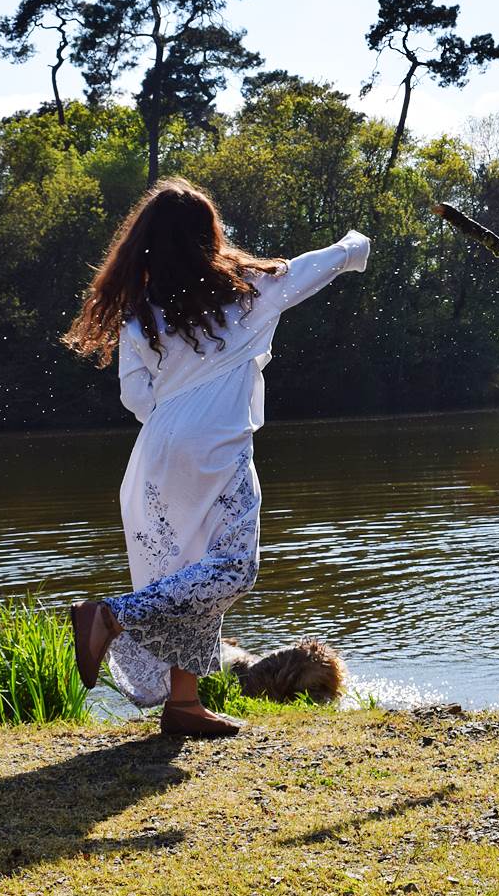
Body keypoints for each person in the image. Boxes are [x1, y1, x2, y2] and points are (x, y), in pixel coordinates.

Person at [65, 177, 370, 738]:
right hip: (216, 452)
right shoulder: (250, 292)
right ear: (210, 237)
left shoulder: (140, 314)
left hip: (155, 455)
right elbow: (315, 266)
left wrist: (179, 409)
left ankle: (183, 704)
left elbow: (136, 397)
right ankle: (108, 616)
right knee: (232, 567)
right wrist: (356, 246)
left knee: (188, 578)